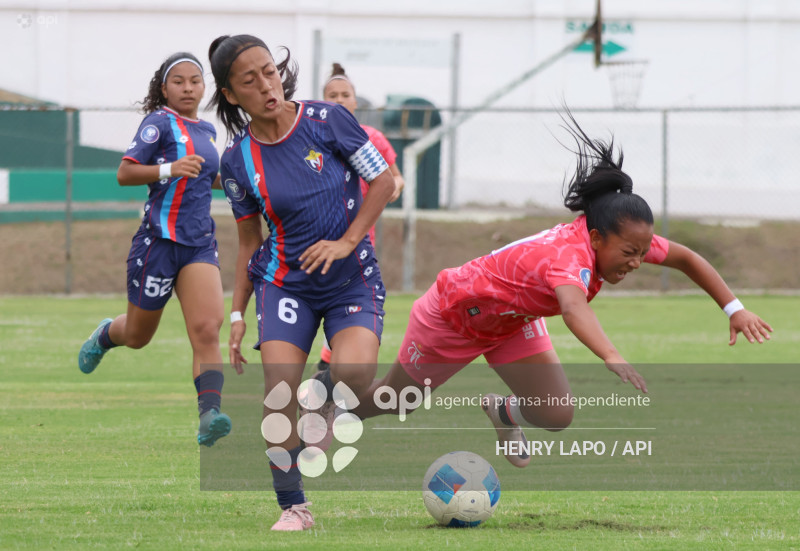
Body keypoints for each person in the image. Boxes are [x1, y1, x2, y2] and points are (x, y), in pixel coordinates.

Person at [350, 112, 773, 469]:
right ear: (595, 238)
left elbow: (686, 258)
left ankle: (502, 411)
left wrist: (733, 308)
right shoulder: (567, 258)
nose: (638, 261)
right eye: (629, 252)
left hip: (510, 323)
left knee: (556, 414)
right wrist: (611, 355)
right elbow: (573, 309)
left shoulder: (618, 238)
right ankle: (332, 408)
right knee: (396, 400)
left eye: (642, 252)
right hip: (453, 315)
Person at [208, 34, 395, 531]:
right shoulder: (237, 162)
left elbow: (384, 183)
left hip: (351, 279)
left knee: (355, 374)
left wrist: (348, 241)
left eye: (270, 71)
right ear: (231, 94)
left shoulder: (328, 120)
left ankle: (327, 391)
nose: (267, 85)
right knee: (278, 393)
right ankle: (294, 506)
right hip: (285, 284)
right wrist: (236, 314)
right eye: (250, 80)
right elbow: (249, 242)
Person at [77, 52, 231, 448]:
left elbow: (207, 178)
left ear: (204, 87)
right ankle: (106, 335)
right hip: (158, 245)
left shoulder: (209, 131)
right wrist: (169, 169)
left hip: (198, 244)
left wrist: (244, 186)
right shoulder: (158, 123)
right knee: (138, 335)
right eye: (178, 81)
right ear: (164, 88)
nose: (187, 88)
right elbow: (125, 172)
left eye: (194, 81)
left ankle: (209, 414)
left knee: (208, 328)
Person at [315, 62, 406, 371]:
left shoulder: (371, 138)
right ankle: (324, 369)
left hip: (358, 245)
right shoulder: (312, 139)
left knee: (348, 310)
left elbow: (395, 177)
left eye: (345, 95)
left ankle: (327, 370)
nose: (339, 100)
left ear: (355, 101)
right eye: (333, 95)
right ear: (323, 100)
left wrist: (392, 189)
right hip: (316, 242)